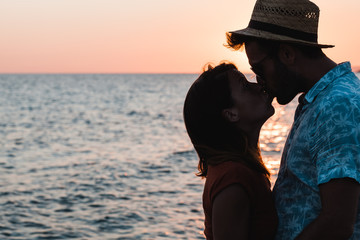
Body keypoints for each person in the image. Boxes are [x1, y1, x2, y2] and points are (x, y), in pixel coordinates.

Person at [225, 0, 360, 239]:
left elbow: (337, 223)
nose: (260, 82)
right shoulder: (320, 100)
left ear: (287, 54)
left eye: (260, 70)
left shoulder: (337, 105)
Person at [183, 62, 278, 240]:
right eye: (245, 85)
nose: (259, 86)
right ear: (231, 114)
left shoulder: (241, 170)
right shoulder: (234, 178)